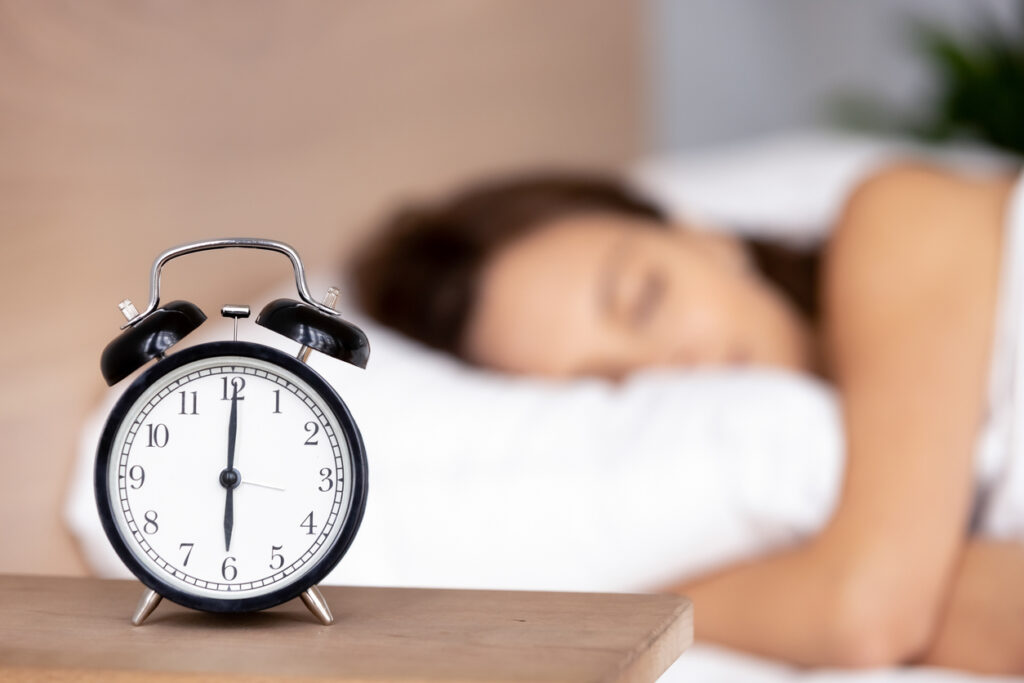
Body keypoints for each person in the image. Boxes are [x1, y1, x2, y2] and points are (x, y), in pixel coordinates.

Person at [351, 165, 1023, 672]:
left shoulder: (899, 219)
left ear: (703, 236)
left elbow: (863, 610)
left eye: (645, 297)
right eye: (614, 385)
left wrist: (621, 618)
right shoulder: (840, 522)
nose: (674, 366)